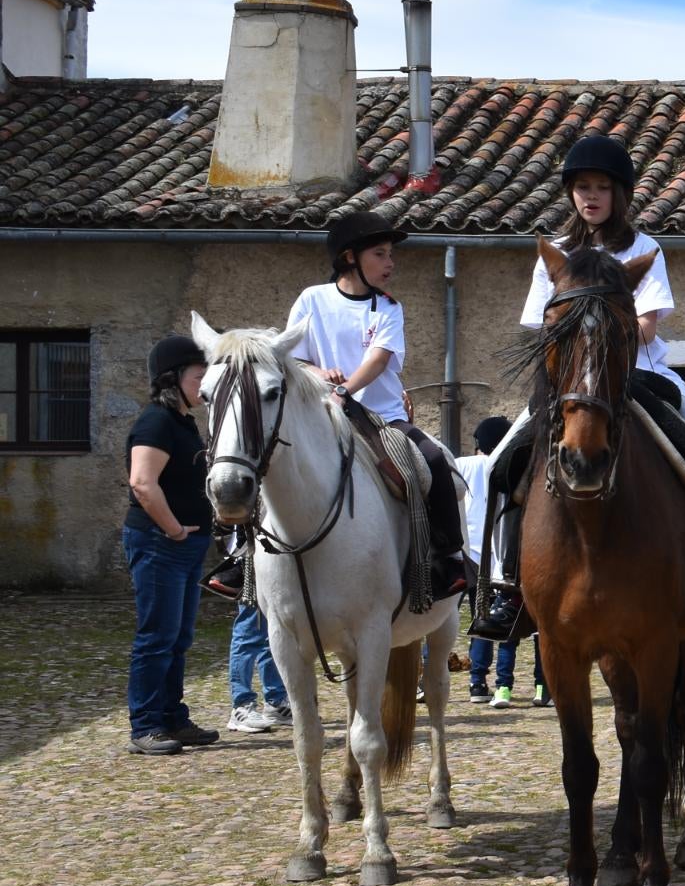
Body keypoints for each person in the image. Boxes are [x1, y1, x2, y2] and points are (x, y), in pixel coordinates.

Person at [471, 135, 685, 639]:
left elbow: (647, 323)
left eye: (602, 187)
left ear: (619, 194)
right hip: (567, 380)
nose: (592, 196)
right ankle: (506, 587)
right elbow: (543, 325)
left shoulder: (643, 249)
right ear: (571, 193)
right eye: (583, 187)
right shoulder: (554, 253)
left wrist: (609, 340)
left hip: (639, 371)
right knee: (497, 467)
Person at [211, 211, 471, 599]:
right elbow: (292, 358)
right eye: (380, 254)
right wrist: (318, 372)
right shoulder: (311, 299)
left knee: (432, 458)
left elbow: (379, 358)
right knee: (264, 457)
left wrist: (346, 388)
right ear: (350, 257)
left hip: (381, 419)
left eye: (390, 255)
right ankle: (241, 555)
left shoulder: (388, 307)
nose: (390, 263)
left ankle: (447, 557)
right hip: (321, 415)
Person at [124, 334, 221, 755]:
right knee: (156, 637)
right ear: (173, 378)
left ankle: (173, 719)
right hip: (160, 542)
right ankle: (145, 726)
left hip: (184, 547)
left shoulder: (182, 421)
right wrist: (176, 530)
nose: (204, 384)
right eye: (199, 376)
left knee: (178, 637)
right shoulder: (156, 422)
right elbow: (142, 484)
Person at [458, 415, 532, 705]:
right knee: (494, 618)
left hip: (466, 552)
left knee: (473, 617)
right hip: (495, 556)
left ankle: (476, 681)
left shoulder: (463, 463)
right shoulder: (501, 463)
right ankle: (523, 684)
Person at [223, 602, 289, 733]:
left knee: (271, 635)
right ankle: (241, 706)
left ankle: (276, 703)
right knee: (249, 628)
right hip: (253, 583)